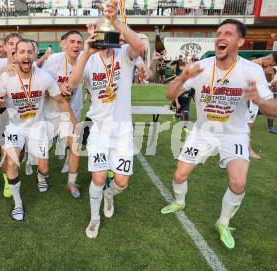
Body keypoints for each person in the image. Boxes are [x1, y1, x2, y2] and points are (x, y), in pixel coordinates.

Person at [161, 19, 277, 249]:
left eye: (228, 34)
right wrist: (183, 77)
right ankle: (180, 202)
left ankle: (223, 223)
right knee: (179, 176)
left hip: (234, 134)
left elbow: (272, 108)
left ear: (240, 41)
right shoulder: (202, 67)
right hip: (203, 132)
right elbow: (169, 94)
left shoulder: (251, 70)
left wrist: (260, 100)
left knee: (238, 182)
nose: (220, 37)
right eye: (218, 33)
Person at [68, 0, 145, 239]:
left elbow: (140, 46)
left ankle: (110, 196)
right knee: (99, 178)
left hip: (122, 131)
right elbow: (71, 85)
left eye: (110, 29)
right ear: (95, 33)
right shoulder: (88, 58)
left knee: (121, 182)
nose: (107, 33)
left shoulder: (124, 54)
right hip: (99, 129)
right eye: (103, 29)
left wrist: (117, 20)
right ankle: (94, 218)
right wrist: (86, 52)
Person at [0, 39, 77, 221]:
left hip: (37, 126)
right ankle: (18, 204)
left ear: (34, 55)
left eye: (29, 52)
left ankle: (41, 178)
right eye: (22, 52)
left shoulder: (44, 77)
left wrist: (74, 121)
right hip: (14, 127)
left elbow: (61, 100)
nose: (26, 55)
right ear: (15, 56)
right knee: (12, 162)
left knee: (44, 168)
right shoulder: (5, 77)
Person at [41, 30, 84, 198]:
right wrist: (58, 89)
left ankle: (71, 183)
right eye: (72, 41)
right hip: (51, 112)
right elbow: (43, 85)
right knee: (47, 147)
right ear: (63, 44)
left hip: (72, 110)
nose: (76, 45)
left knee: (75, 144)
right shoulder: (54, 60)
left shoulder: (84, 60)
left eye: (79, 42)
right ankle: (41, 176)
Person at [0, 32, 22, 198]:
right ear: (6, 47)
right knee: (6, 153)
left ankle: (12, 173)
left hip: (24, 118)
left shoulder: (29, 64)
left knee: (19, 156)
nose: (14, 46)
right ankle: (7, 181)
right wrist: (2, 72)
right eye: (11, 43)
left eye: (18, 43)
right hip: (2, 117)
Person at [253, 53, 277, 134]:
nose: (270, 66)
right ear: (270, 59)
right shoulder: (254, 64)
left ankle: (270, 127)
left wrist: (269, 76)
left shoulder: (265, 66)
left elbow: (266, 82)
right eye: (270, 64)